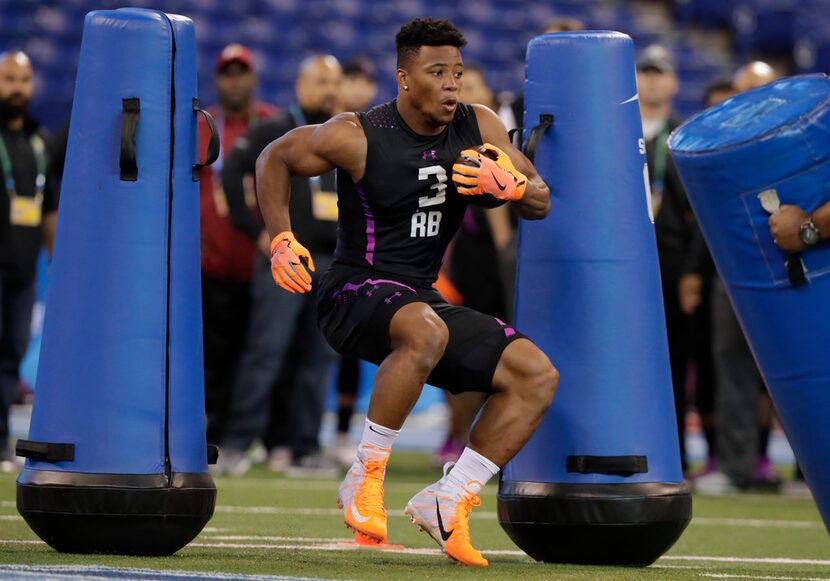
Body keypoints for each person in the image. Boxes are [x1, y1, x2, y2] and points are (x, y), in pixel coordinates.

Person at [255, 19, 558, 566]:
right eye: (437, 72)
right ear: (403, 77)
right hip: (350, 290)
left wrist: (515, 187)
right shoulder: (359, 133)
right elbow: (275, 156)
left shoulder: (480, 124)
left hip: (419, 299)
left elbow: (541, 198)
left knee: (535, 374)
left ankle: (450, 498)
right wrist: (281, 235)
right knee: (425, 326)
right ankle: (364, 476)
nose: (451, 84)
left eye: (458, 73)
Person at [216, 55, 342, 478]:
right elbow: (231, 172)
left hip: (330, 261)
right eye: (320, 81)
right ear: (300, 86)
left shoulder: (344, 137)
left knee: (318, 359)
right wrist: (253, 230)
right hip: (285, 257)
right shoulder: (274, 131)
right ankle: (236, 443)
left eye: (334, 82)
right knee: (265, 352)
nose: (329, 90)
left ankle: (304, 448)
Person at [696, 62, 780, 495]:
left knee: (804, 368)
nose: (747, 99)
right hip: (732, 266)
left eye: (758, 89)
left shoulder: (793, 135)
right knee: (732, 367)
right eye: (742, 90)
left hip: (793, 264)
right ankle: (736, 465)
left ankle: (810, 468)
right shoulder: (718, 139)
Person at [201, 44, 278, 445]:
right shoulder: (200, 124)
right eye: (227, 73)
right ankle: (214, 435)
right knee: (214, 357)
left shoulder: (270, 123)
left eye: (241, 72)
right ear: (218, 79)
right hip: (212, 265)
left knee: (263, 353)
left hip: (261, 263)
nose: (235, 80)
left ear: (253, 78)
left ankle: (259, 436)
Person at [637, 44, 705, 472]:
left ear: (674, 82)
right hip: (625, 264)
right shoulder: (616, 131)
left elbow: (698, 214)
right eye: (645, 72)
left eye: (660, 72)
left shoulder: (683, 137)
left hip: (671, 264)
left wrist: (693, 273)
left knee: (675, 362)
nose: (652, 80)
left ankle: (674, 455)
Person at [0, 51, 59, 472]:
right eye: (8, 78)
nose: (17, 87)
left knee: (12, 352)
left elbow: (51, 209)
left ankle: (1, 440)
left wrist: (58, 266)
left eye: (23, 78)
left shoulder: (42, 140)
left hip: (22, 270)